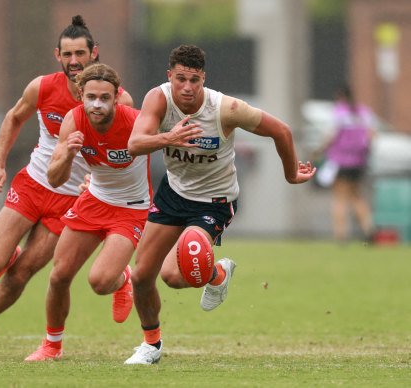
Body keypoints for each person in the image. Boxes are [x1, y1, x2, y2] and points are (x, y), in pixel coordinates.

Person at [0, 15, 133, 358]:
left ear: (95, 54)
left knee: (21, 275)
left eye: (80, 53)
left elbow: (125, 151)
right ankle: (8, 253)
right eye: (67, 54)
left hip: (69, 203)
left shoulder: (117, 100)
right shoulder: (43, 87)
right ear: (57, 55)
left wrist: (100, 177)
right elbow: (14, 117)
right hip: (33, 184)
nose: (73, 61)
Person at [123, 44, 316, 364]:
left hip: (213, 202)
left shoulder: (225, 108)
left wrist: (291, 174)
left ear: (203, 79)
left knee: (172, 276)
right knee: (141, 276)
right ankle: (151, 345)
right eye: (180, 79)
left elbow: (280, 130)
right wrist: (168, 138)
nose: (186, 87)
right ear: (170, 76)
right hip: (173, 193)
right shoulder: (158, 99)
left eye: (194, 80)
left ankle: (214, 274)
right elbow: (134, 144)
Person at [24, 63, 151, 361]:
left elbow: (166, 152)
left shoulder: (136, 121)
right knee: (59, 276)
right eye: (91, 96)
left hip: (130, 209)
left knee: (100, 282)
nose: (97, 104)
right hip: (93, 201)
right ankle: (52, 346)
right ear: (81, 95)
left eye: (105, 98)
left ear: (117, 97)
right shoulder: (73, 119)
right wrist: (68, 151)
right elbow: (54, 179)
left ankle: (123, 279)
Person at [324, 85, 375, 243]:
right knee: (356, 196)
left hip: (341, 161)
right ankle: (368, 228)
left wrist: (319, 150)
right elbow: (372, 135)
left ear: (340, 97)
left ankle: (341, 235)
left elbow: (330, 136)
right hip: (359, 162)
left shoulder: (339, 112)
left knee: (340, 198)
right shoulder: (363, 112)